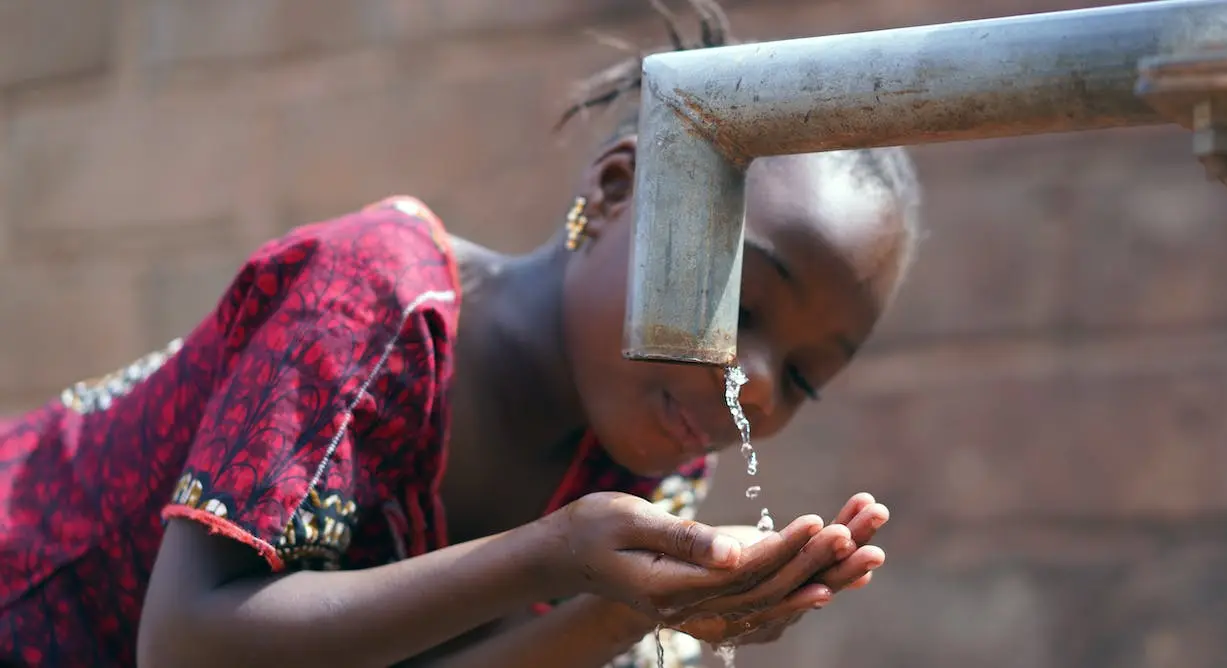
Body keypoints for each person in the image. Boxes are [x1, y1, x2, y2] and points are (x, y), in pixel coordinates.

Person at [0, 1, 922, 666]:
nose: (755, 384)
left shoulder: (649, 459)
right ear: (611, 195)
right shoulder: (379, 296)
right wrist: (556, 553)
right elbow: (189, 645)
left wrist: (632, 613)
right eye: (743, 304)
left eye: (803, 378)